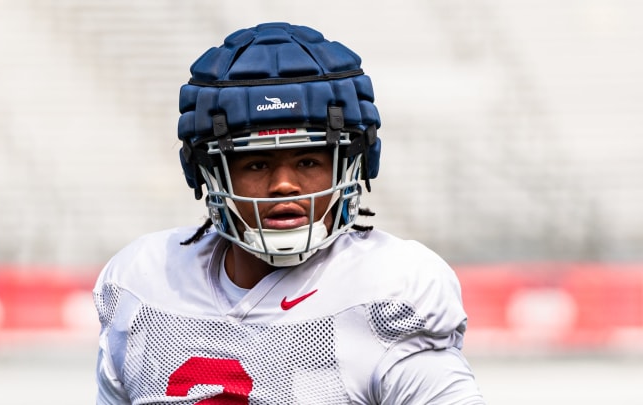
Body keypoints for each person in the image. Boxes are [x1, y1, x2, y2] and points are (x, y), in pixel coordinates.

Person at [93, 22, 485, 404]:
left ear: (351, 165)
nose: (284, 184)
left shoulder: (386, 291)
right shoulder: (142, 284)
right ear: (209, 174)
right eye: (257, 164)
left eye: (309, 161)